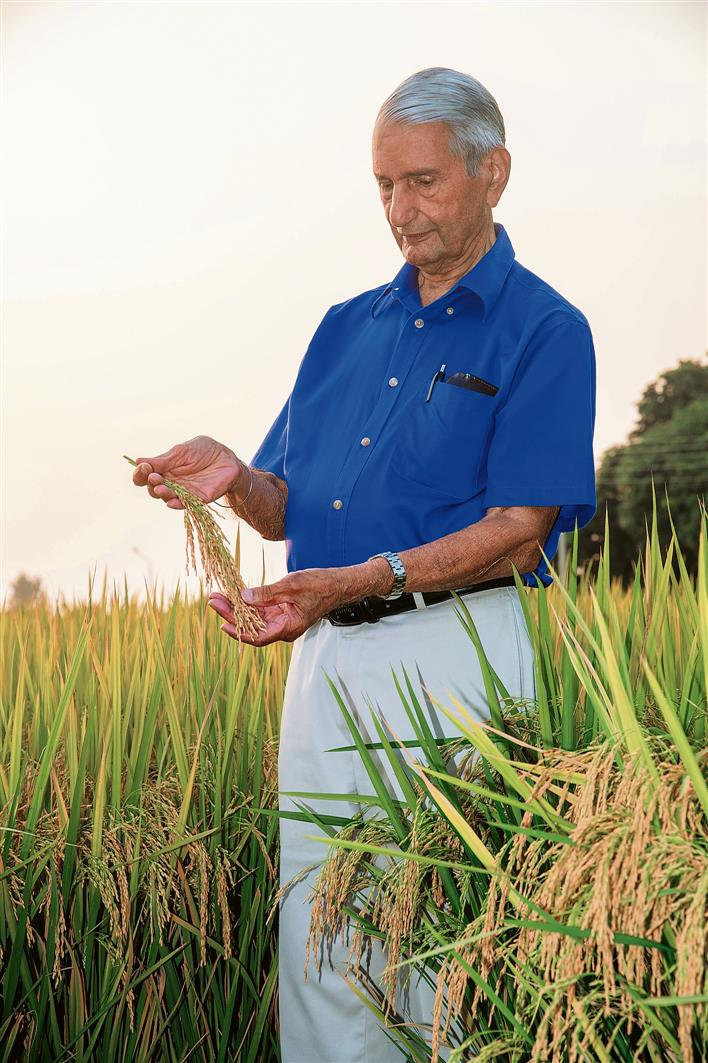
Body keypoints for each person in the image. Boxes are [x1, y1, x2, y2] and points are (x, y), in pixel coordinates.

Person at [132, 66, 597, 1063]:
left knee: (435, 942)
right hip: (325, 663)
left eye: (423, 182)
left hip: (459, 662)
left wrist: (363, 579)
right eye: (384, 185)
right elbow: (287, 505)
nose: (400, 210)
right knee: (321, 938)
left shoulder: (547, 329)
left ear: (493, 172)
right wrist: (233, 477)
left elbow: (521, 528)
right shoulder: (345, 329)